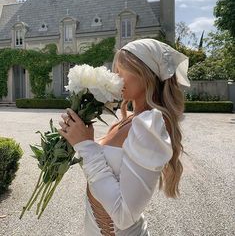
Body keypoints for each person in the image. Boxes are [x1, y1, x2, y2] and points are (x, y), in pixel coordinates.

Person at [59, 38, 190, 236]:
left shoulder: (148, 127)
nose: (115, 76)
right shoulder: (125, 120)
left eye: (121, 69)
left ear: (146, 74)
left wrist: (85, 145)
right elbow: (108, 167)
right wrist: (79, 136)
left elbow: (123, 216)